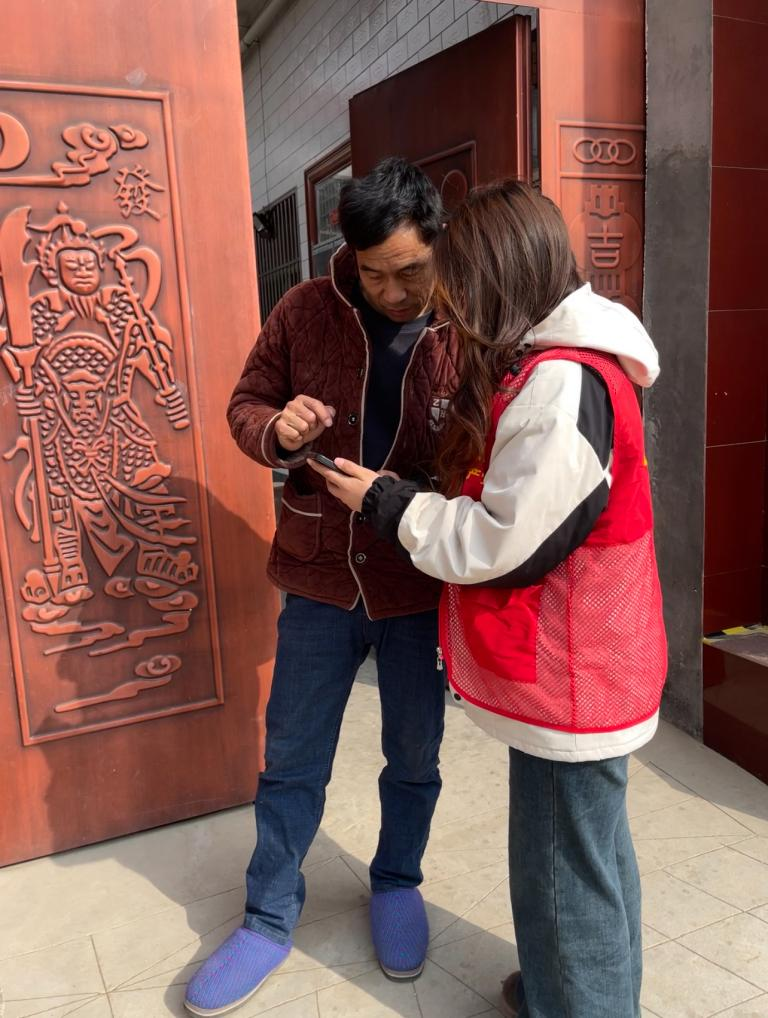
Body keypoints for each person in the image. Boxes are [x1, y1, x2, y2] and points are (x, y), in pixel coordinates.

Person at [310, 180, 667, 1018]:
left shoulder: (561, 383)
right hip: (588, 665)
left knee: (563, 873)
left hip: (572, 673)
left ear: (500, 275)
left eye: (456, 282)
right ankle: (563, 988)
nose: (449, 304)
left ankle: (579, 1001)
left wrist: (390, 504)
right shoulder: (568, 364)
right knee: (589, 857)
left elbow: (503, 546)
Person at [183, 158, 460, 1017]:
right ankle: (268, 917)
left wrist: (423, 492)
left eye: (410, 271)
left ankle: (397, 880)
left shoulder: (465, 322)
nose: (393, 292)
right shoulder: (305, 309)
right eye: (373, 274)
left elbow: (488, 451)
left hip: (418, 579)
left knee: (413, 755)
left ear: (437, 245)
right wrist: (279, 428)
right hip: (318, 579)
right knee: (293, 758)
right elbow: (245, 404)